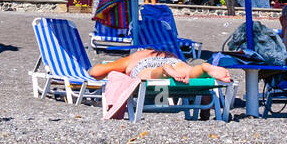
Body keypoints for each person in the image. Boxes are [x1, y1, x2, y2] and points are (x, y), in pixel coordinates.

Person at [88, 49, 232, 83]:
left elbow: (96, 72)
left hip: (146, 65)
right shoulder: (166, 53)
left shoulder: (136, 56)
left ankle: (164, 72)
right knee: (189, 71)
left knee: (148, 74)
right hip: (174, 61)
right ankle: (203, 68)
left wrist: (110, 68)